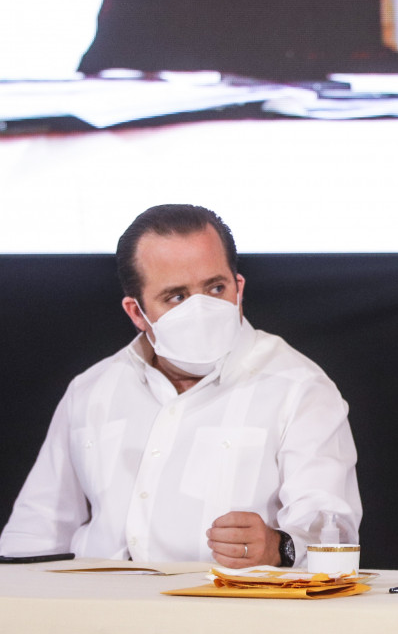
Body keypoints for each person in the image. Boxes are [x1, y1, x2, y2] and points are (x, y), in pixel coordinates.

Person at [0, 204, 361, 566]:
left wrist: (278, 547)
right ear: (137, 312)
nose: (200, 310)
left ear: (238, 289)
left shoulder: (299, 388)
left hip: (223, 601)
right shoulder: (92, 389)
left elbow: (333, 534)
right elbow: (35, 533)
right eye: (176, 296)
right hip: (95, 599)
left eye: (215, 288)